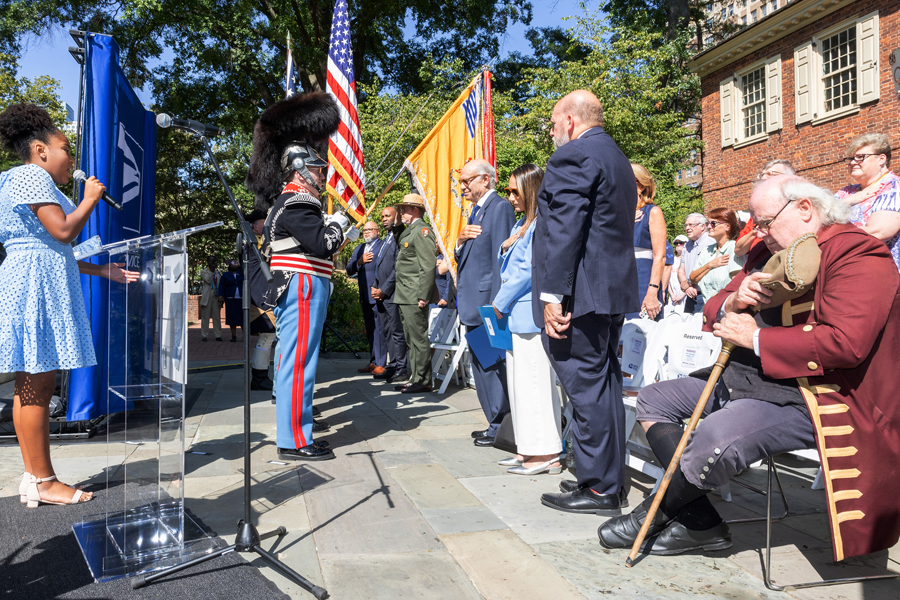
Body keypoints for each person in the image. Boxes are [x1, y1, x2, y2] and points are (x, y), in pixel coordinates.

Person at [598, 175, 900, 561]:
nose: (757, 232)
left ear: (805, 209)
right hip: (744, 379)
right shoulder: (764, 253)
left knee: (716, 437)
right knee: (655, 399)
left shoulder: (856, 254)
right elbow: (713, 308)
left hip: (811, 395)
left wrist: (755, 338)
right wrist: (734, 301)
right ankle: (700, 521)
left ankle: (652, 514)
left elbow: (845, 343)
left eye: (765, 221)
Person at [0, 103, 137, 506]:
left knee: (32, 384)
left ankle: (33, 477)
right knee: (38, 384)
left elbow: (50, 247)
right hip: (35, 285)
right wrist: (91, 198)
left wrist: (101, 272)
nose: (71, 160)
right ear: (41, 150)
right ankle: (44, 479)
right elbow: (62, 232)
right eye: (66, 150)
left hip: (32, 278)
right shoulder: (30, 176)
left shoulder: (14, 179)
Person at [532, 90, 639, 515]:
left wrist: (552, 294)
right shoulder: (616, 158)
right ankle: (607, 478)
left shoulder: (572, 157)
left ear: (572, 121)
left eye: (555, 122)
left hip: (580, 294)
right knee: (603, 384)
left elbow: (563, 229)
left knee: (586, 388)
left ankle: (598, 488)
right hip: (609, 292)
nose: (553, 131)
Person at [244, 91, 353, 461]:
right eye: (319, 168)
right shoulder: (299, 200)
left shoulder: (287, 202)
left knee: (296, 360)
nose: (323, 174)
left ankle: (295, 432)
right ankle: (294, 439)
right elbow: (323, 246)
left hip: (300, 283)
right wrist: (339, 225)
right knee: (299, 363)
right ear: (302, 170)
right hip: (303, 283)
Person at [492, 163, 564, 475]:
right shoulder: (523, 224)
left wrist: (499, 300)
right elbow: (510, 263)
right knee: (520, 386)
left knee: (535, 384)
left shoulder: (540, 224)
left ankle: (546, 453)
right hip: (515, 316)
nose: (510, 197)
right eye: (507, 191)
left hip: (530, 315)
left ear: (531, 190)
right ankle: (527, 449)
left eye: (514, 191)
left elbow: (527, 270)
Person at [455, 158, 516, 447]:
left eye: (467, 180)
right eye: (461, 181)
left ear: (485, 180)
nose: (462, 186)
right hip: (472, 303)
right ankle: (494, 422)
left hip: (486, 305)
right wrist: (458, 241)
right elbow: (467, 256)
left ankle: (502, 426)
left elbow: (499, 259)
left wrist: (496, 305)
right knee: (481, 367)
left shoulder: (500, 207)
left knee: (492, 367)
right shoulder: (476, 212)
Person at [392, 194, 438, 393]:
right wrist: (396, 224)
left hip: (414, 293)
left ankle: (423, 379)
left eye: (406, 209)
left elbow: (428, 266)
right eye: (401, 208)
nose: (402, 212)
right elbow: (400, 242)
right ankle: (415, 376)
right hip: (405, 292)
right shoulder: (410, 231)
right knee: (411, 338)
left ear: (416, 210)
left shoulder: (423, 231)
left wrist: (424, 294)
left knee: (418, 338)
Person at [834, 133, 900, 272]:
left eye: (860, 157)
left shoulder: (894, 188)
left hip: (878, 275)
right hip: (841, 271)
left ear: (881, 159)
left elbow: (877, 231)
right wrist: (849, 200)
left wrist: (829, 239)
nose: (852, 162)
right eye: (851, 158)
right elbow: (816, 218)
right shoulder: (845, 193)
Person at [371, 206, 408, 382]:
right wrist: (374, 286)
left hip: (392, 294)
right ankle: (392, 365)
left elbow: (397, 268)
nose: (384, 219)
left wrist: (384, 290)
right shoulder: (386, 238)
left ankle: (401, 368)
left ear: (397, 217)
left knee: (397, 332)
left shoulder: (398, 237)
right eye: (383, 216)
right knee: (387, 332)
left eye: (388, 216)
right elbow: (378, 267)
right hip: (381, 295)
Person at [628, 163, 667, 321]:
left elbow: (660, 256)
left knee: (641, 336)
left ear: (641, 186)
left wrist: (652, 291)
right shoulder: (619, 216)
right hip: (619, 282)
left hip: (642, 281)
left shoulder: (653, 212)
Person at [734, 160, 795, 257]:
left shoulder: (795, 206)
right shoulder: (757, 215)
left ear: (788, 178)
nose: (763, 178)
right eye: (762, 174)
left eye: (771, 173)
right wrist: (759, 227)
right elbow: (738, 250)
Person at [346, 221, 385, 374]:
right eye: (365, 230)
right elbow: (349, 269)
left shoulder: (383, 246)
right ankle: (373, 362)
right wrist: (359, 262)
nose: (366, 232)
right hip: (364, 295)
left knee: (380, 329)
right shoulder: (359, 248)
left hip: (378, 294)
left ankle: (381, 363)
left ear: (378, 232)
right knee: (371, 330)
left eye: (370, 229)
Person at [244, 209, 277, 391]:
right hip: (261, 299)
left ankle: (260, 377)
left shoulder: (256, 246)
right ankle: (259, 378)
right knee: (266, 338)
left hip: (262, 297)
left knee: (266, 338)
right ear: (257, 227)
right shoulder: (254, 247)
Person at [689, 207, 743, 301]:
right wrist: (711, 265)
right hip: (708, 309)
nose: (709, 227)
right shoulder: (706, 251)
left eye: (713, 224)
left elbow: (737, 285)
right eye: (708, 224)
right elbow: (693, 278)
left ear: (727, 226)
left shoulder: (734, 248)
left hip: (727, 308)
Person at [677, 213, 712, 313]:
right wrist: (687, 286)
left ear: (702, 226)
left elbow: (708, 269)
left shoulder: (710, 242)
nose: (687, 228)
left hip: (706, 295)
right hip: (690, 295)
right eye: (686, 225)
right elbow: (681, 270)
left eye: (691, 225)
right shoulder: (687, 245)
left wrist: (687, 283)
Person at [199, 256, 223, 342]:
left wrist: (221, 296)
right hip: (207, 296)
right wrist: (212, 271)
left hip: (216, 295)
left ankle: (218, 335)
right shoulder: (204, 271)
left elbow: (220, 284)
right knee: (205, 317)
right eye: (211, 261)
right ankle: (204, 335)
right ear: (208, 262)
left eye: (214, 261)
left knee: (216, 317)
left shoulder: (218, 272)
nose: (213, 262)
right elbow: (208, 280)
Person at [219, 259, 243, 342]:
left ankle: (245, 336)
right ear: (230, 266)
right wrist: (220, 296)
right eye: (232, 264)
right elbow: (221, 286)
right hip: (230, 299)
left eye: (236, 264)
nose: (234, 265)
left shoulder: (243, 273)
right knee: (231, 318)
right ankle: (233, 336)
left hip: (241, 299)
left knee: (242, 318)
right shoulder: (226, 275)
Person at [665, 235, 688, 314]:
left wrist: (681, 296)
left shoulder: (688, 260)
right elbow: (667, 280)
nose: (678, 245)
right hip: (672, 297)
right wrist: (672, 295)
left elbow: (690, 281)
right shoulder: (672, 260)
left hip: (685, 297)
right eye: (676, 243)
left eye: (681, 243)